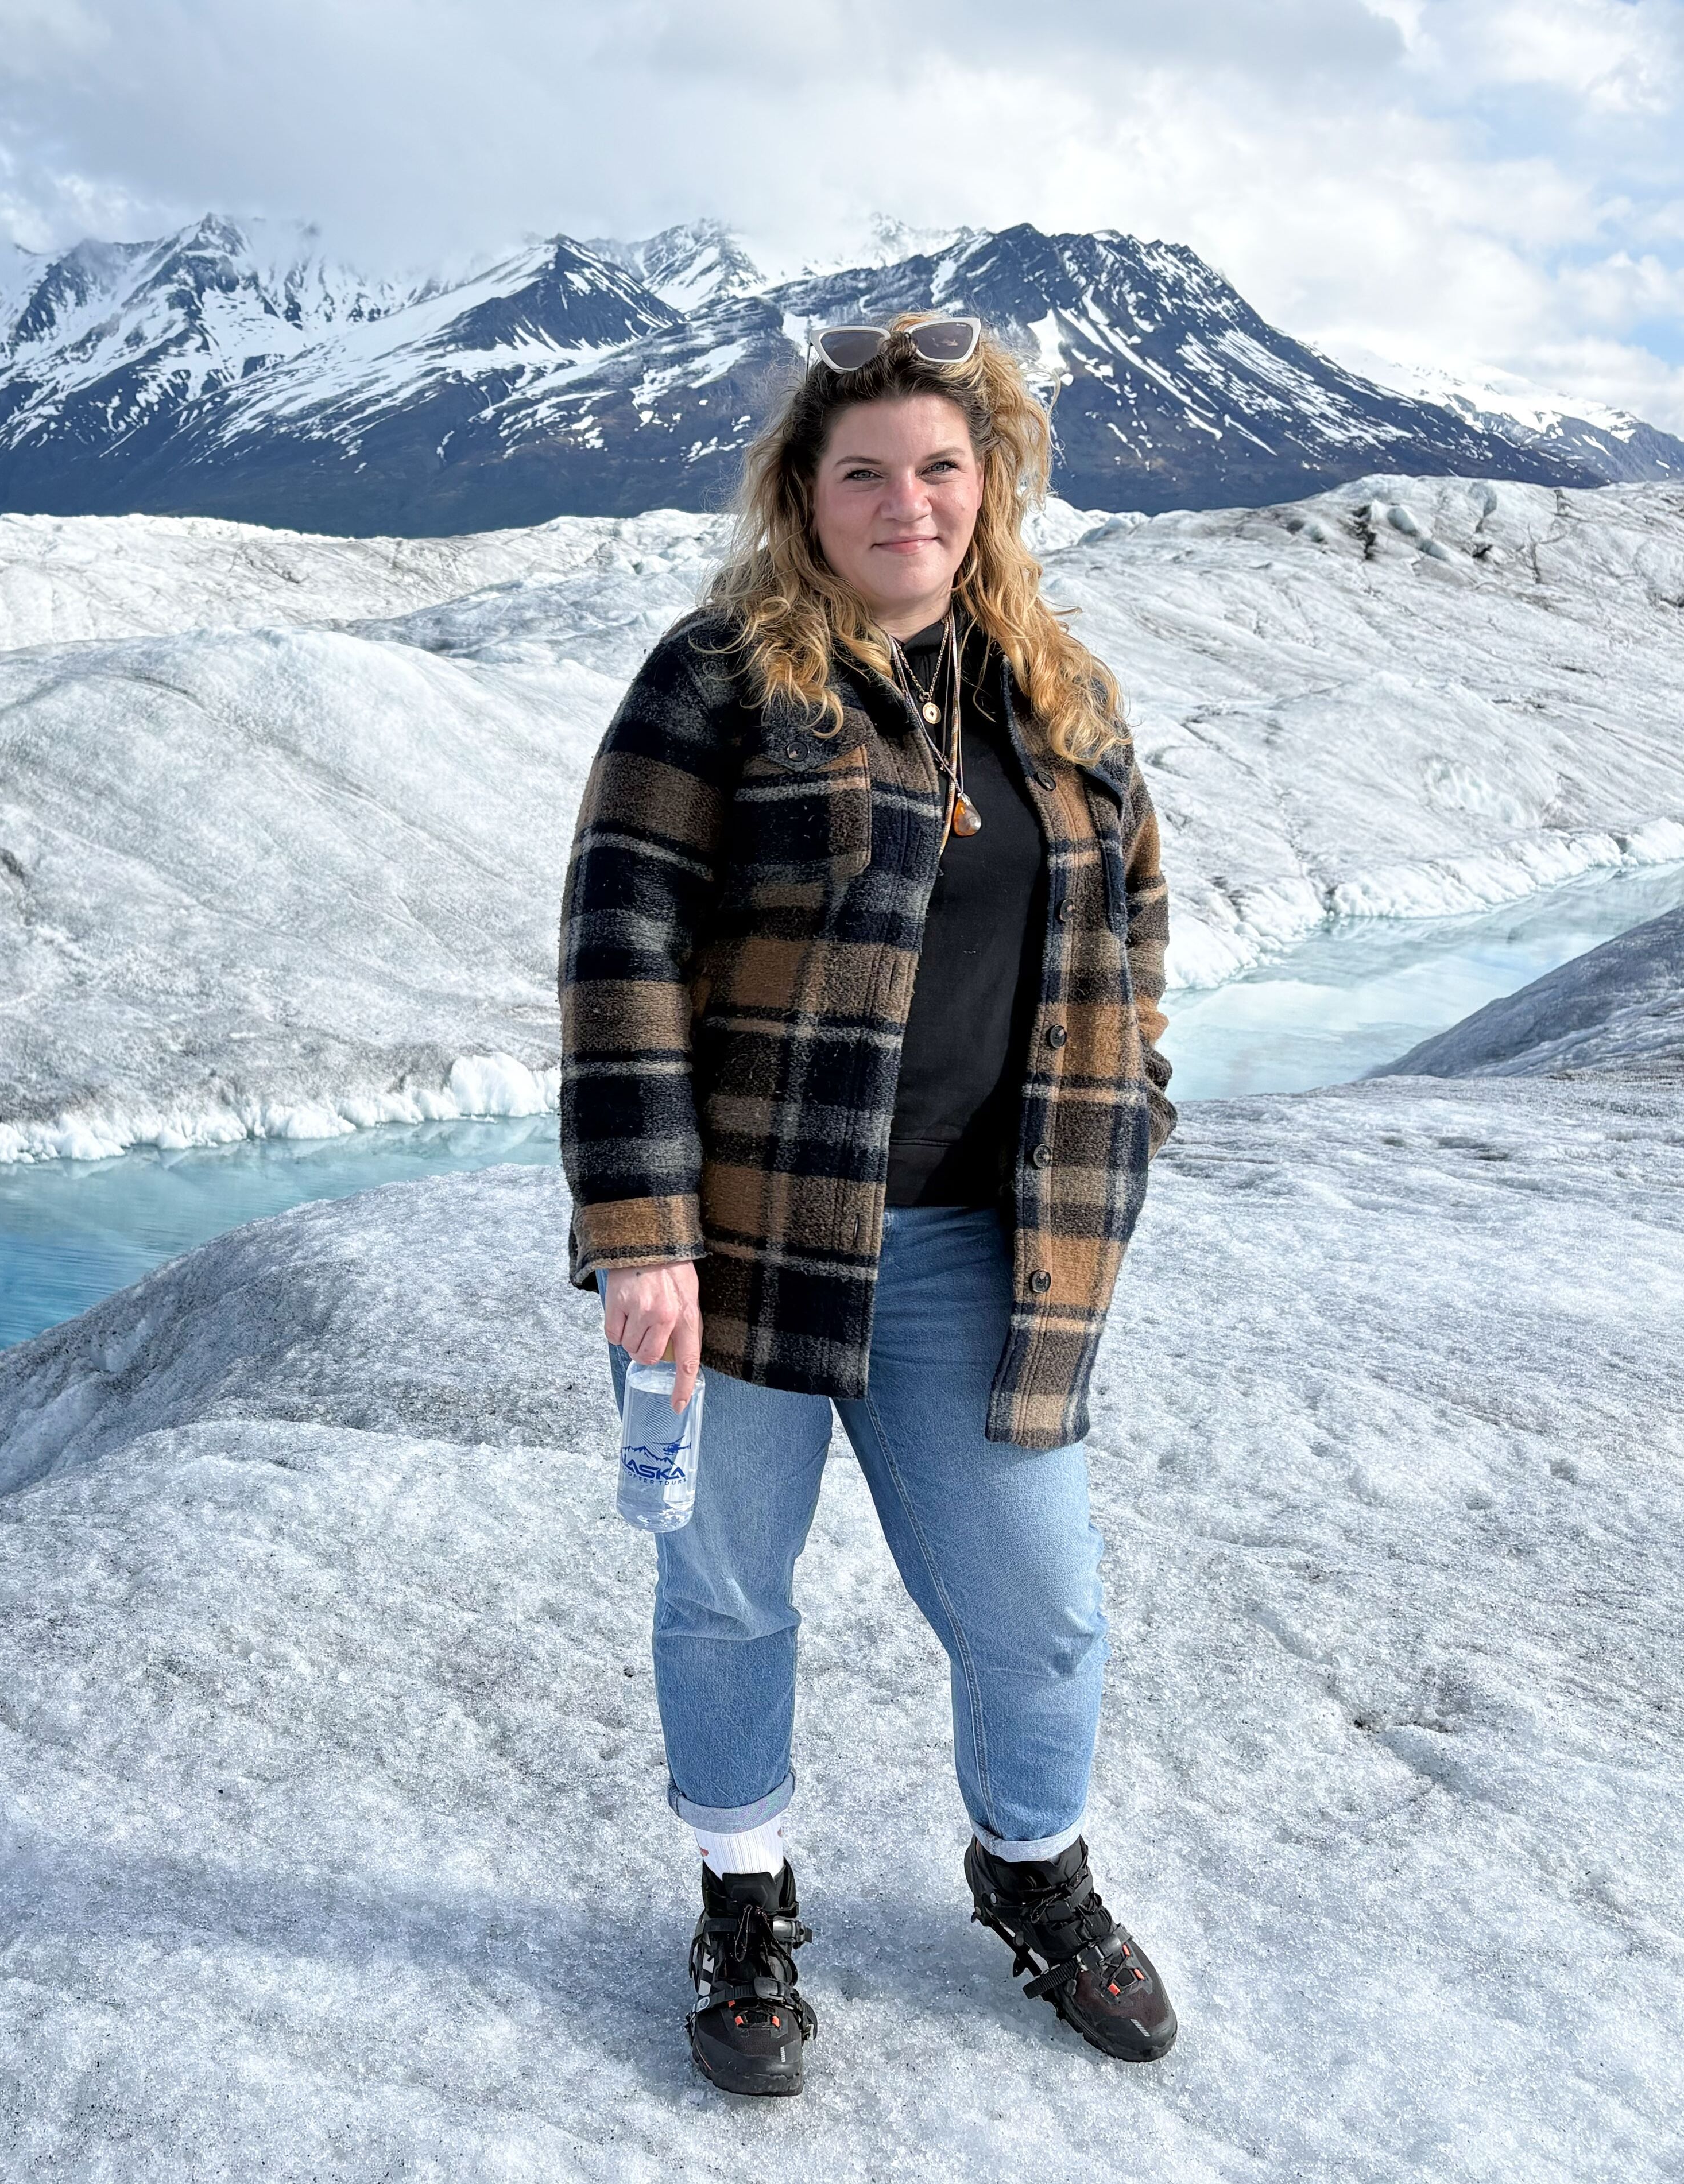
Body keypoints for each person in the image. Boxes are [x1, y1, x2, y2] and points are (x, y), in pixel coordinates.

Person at [556, 312, 1180, 2096]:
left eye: (939, 468)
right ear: (803, 498)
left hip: (978, 1247)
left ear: (989, 489)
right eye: (865, 473)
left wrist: (1126, 1116)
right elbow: (623, 947)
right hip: (738, 1249)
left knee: (1040, 1605)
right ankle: (745, 1896)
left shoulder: (1062, 697)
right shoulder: (717, 680)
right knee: (730, 1589)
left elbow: (1133, 930)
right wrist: (643, 1228)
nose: (905, 501)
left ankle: (1031, 1862)